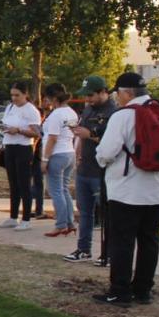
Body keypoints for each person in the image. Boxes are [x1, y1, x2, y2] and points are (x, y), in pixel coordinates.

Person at [94, 72, 159, 307]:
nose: (117, 98)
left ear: (126, 93)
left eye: (118, 93)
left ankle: (119, 291)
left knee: (122, 241)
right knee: (150, 240)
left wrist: (100, 159)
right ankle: (143, 289)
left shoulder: (124, 116)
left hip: (128, 191)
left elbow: (106, 152)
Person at [64, 76, 116, 264]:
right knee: (84, 212)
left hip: (101, 171)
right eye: (86, 96)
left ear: (104, 92)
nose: (88, 99)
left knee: (106, 214)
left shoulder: (114, 113)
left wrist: (92, 135)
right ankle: (83, 249)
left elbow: (114, 143)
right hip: (84, 168)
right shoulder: (87, 110)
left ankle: (109, 252)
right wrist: (78, 154)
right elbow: (82, 136)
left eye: (91, 95)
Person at [0, 81, 40, 231]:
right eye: (12, 95)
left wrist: (19, 131)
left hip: (23, 148)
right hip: (9, 146)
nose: (14, 98)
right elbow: (5, 124)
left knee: (24, 184)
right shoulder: (10, 107)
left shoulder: (31, 111)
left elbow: (37, 133)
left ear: (25, 95)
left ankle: (26, 218)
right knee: (13, 183)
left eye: (17, 95)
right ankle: (13, 216)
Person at [40, 83, 78, 237]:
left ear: (52, 98)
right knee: (64, 190)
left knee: (55, 191)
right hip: (69, 152)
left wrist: (44, 158)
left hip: (57, 154)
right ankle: (69, 222)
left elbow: (52, 138)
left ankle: (61, 224)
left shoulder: (56, 114)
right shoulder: (72, 112)